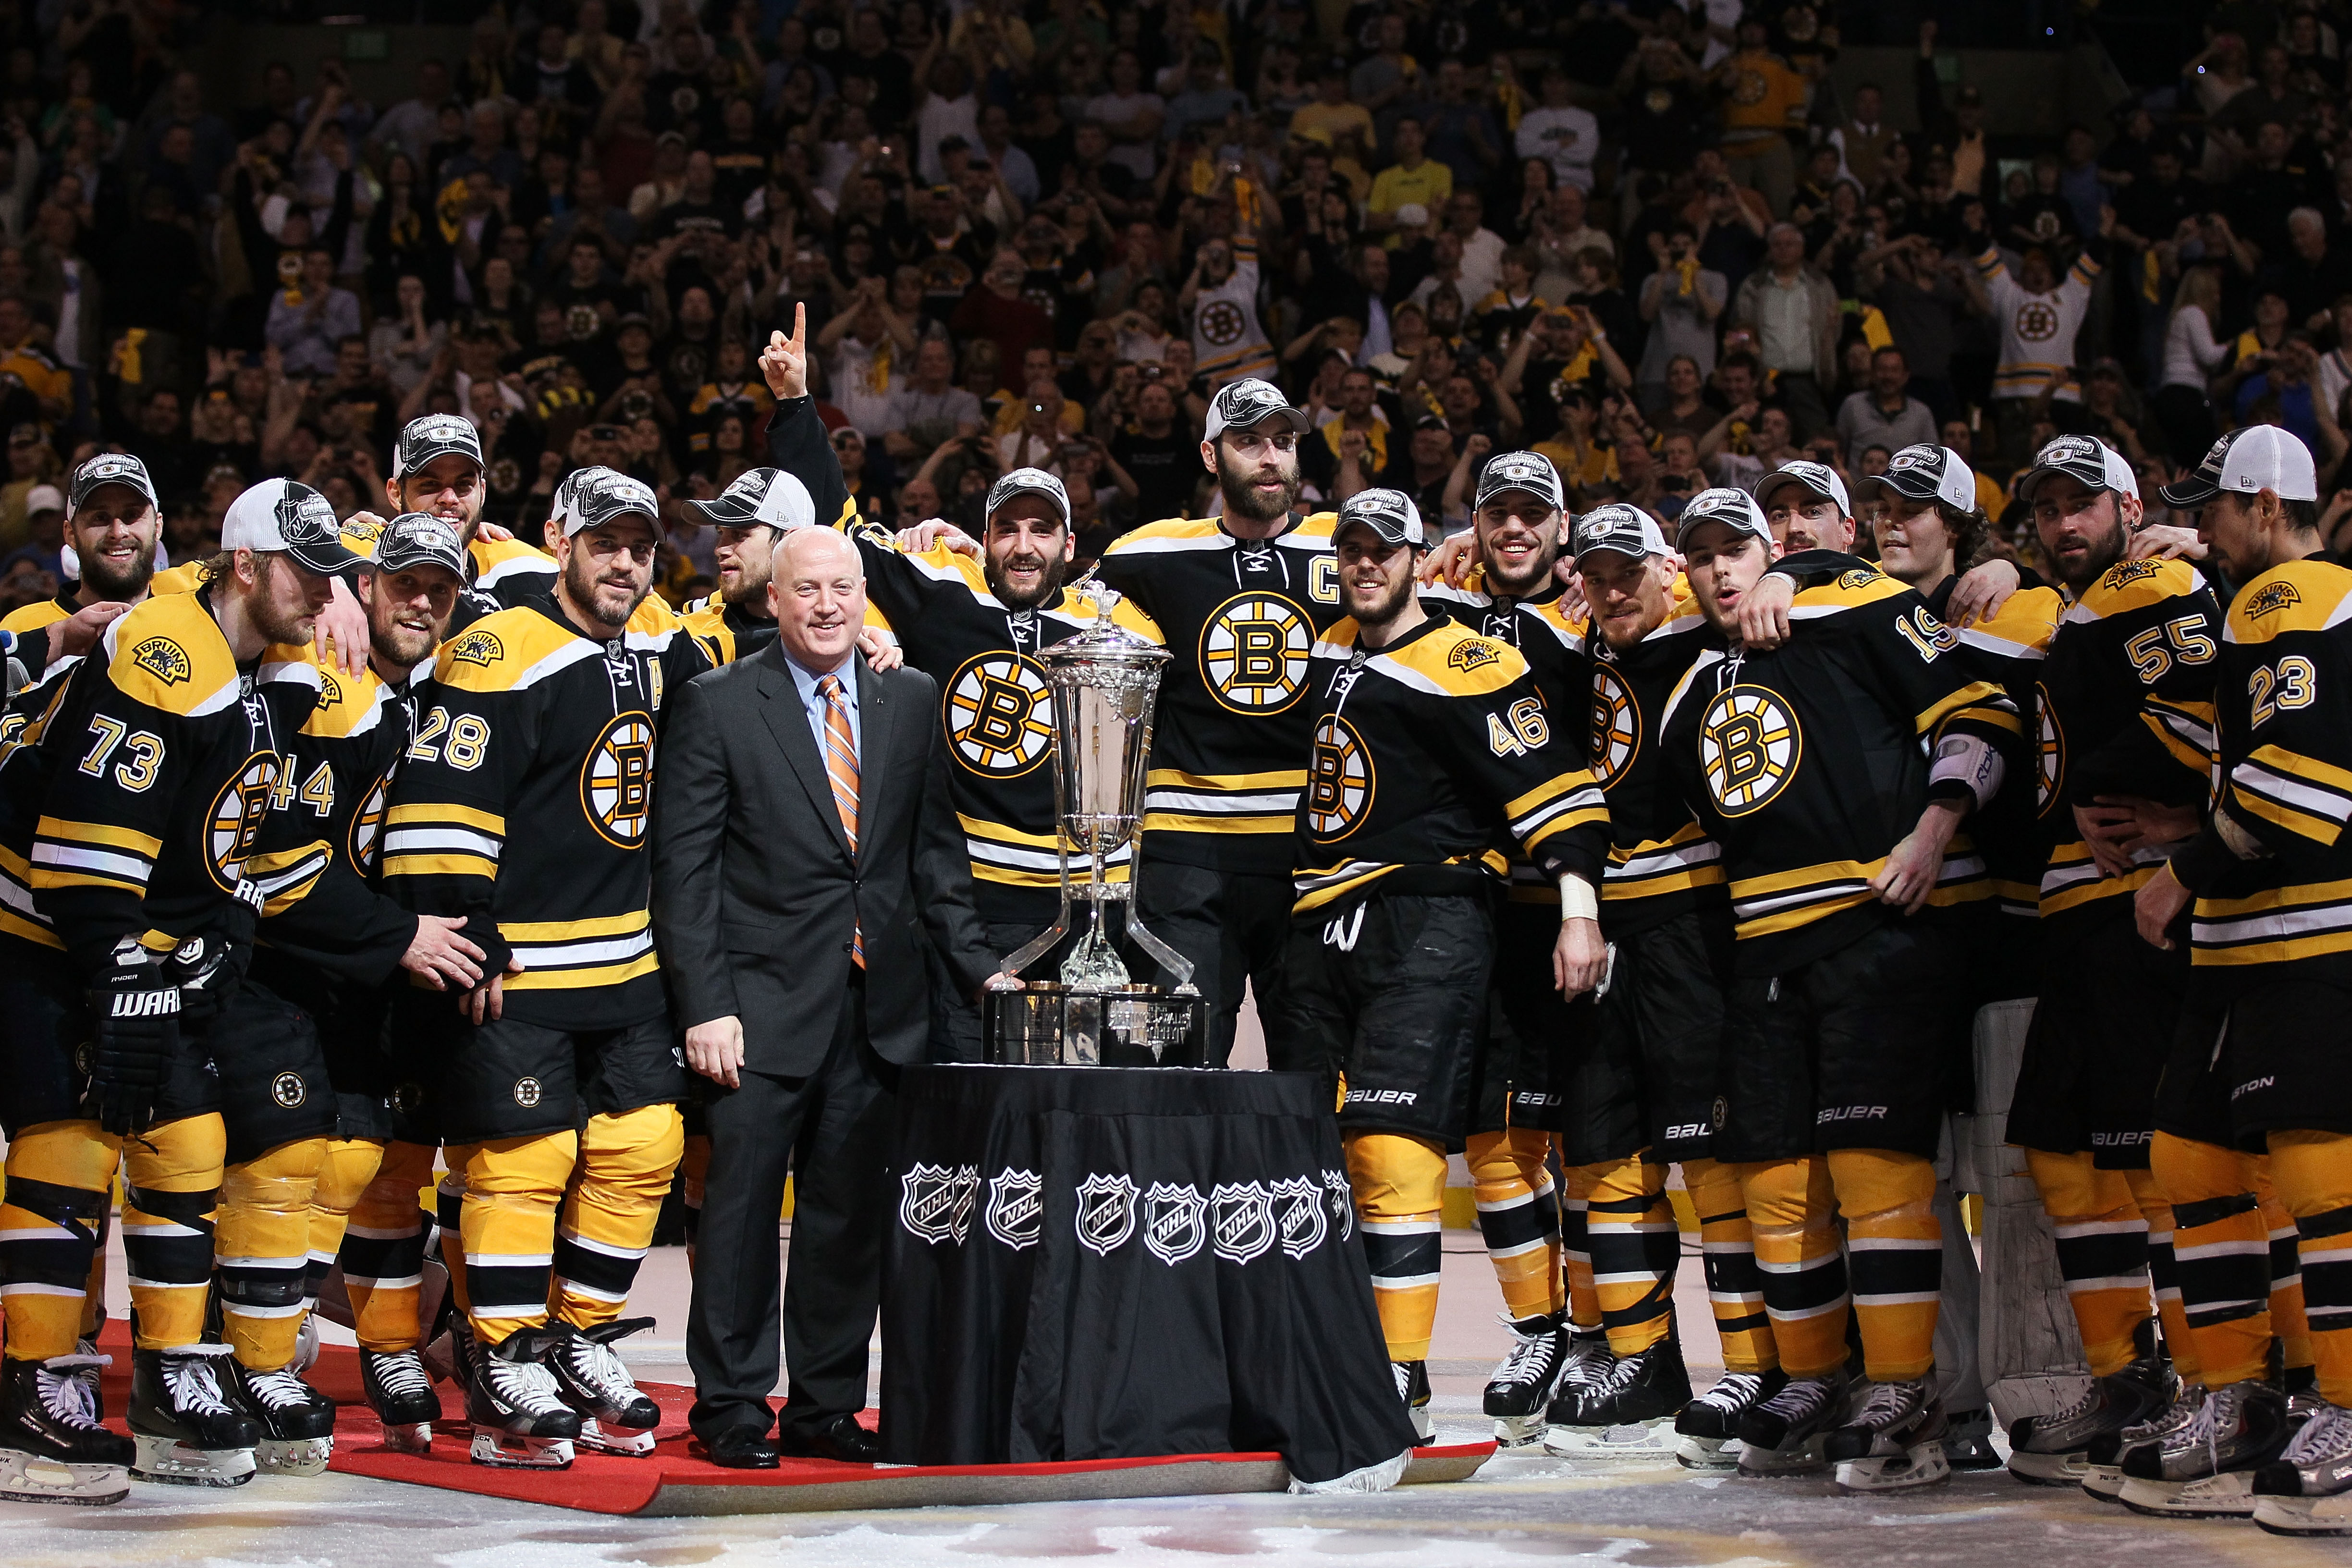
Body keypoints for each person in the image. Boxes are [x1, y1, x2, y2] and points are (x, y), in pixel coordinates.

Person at [12, 478, 366, 1492]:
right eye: (308, 569)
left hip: (124, 914)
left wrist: (218, 935)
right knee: (68, 1136)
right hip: (31, 911)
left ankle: (172, 1378)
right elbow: (86, 844)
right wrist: (125, 968)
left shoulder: (282, 665)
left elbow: (233, 840)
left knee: (186, 1137)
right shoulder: (174, 649)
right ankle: (32, 1397)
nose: (325, 590)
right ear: (246, 565)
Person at [1665, 481, 2018, 1489]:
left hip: (1877, 929)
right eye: (1704, 555)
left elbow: (1979, 714)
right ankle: (1816, 1377)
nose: (1727, 568)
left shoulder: (1857, 601)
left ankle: (1904, 1383)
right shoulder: (1692, 682)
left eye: (1742, 548)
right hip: (1763, 950)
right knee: (1778, 1181)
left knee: (1878, 1171)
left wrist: (1933, 829)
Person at [383, 466, 709, 1469]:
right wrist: (468, 935)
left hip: (630, 967)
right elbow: (438, 807)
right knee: (521, 1166)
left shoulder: (663, 642)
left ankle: (572, 1339)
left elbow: (748, 688)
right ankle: (502, 1360)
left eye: (641, 547)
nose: (624, 563)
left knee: (643, 1146)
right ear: (560, 538)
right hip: (520, 968)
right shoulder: (496, 649)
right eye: (606, 542)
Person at [650, 525, 996, 1470]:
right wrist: (704, 1004)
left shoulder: (911, 697)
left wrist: (978, 967)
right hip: (754, 1014)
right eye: (808, 589)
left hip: (878, 1011)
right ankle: (730, 1411)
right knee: (739, 1224)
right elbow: (685, 874)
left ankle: (826, 1409)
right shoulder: (718, 704)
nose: (829, 605)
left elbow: (933, 854)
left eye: (845, 587)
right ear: (775, 599)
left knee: (847, 1225)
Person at [1289, 485, 1607, 1441]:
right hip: (1318, 922)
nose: (1365, 563)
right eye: (1351, 547)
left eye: (1385, 549)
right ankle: (1358, 1362)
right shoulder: (1327, 649)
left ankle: (1396, 1376)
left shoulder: (1474, 660)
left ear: (1420, 558)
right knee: (1329, 1157)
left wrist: (1579, 916)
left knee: (1396, 1146)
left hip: (1431, 914)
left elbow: (1560, 792)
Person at [2127, 428, 2352, 1538]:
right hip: (2254, 937)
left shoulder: (2283, 596)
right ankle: (2239, 1396)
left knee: (2322, 1173)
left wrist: (2179, 870)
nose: (2201, 527)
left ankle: (2345, 1415)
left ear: (2263, 506)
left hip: (2304, 932)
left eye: (2210, 508)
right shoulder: (2283, 598)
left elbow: (2296, 781)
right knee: (2193, 1156)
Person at [242, 513, 487, 1455]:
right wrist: (394, 937)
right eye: (401, 583)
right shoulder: (316, 685)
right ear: (364, 587)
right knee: (306, 1164)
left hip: (411, 972)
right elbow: (271, 863)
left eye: (441, 588)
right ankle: (253, 1343)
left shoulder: (473, 685)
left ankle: (406, 1337)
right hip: (298, 974)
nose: (421, 601)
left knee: (404, 1162)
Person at [840, 467, 1163, 1060]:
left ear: (1069, 545)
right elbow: (841, 536)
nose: (1023, 546)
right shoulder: (943, 585)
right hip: (968, 909)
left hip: (1087, 908)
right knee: (970, 1104)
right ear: (983, 538)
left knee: (1074, 1101)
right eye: (1006, 529)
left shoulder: (1116, 627)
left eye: (1042, 530)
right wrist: (795, 400)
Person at [1092, 378, 1342, 1068]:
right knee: (1176, 1061)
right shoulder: (1146, 554)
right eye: (1249, 441)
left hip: (1311, 851)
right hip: (1186, 853)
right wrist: (958, 544)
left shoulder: (1348, 549)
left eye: (1284, 443)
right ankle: (1174, 1182)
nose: (1270, 457)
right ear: (1210, 456)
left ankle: (1310, 1183)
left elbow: (1449, 583)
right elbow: (1044, 589)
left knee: (1315, 1062)